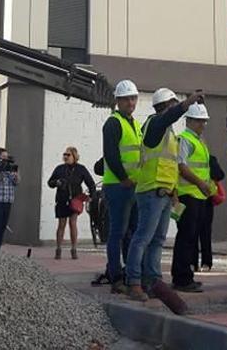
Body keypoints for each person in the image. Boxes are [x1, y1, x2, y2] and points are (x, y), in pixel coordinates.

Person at [125, 88, 203, 302]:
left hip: (165, 193)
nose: (175, 107)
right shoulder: (155, 124)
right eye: (173, 104)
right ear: (165, 106)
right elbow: (171, 115)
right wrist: (188, 102)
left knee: (157, 240)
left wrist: (174, 193)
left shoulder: (168, 133)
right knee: (143, 238)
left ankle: (153, 282)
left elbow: (171, 165)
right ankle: (133, 282)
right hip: (151, 191)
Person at [102, 80, 142, 294]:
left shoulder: (134, 124)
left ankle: (128, 272)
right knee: (117, 232)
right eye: (126, 98)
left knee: (132, 232)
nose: (130, 102)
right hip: (118, 186)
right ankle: (115, 276)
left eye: (133, 98)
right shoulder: (113, 123)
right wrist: (124, 177)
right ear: (118, 101)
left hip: (133, 186)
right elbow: (111, 154)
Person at [171, 103, 215, 292]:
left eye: (204, 121)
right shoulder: (186, 139)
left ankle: (186, 276)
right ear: (188, 120)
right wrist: (200, 183)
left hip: (198, 195)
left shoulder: (198, 140)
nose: (202, 124)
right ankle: (181, 278)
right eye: (199, 121)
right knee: (186, 237)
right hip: (188, 194)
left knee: (191, 237)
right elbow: (182, 166)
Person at [48, 146, 95, 260]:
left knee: (73, 224)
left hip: (75, 200)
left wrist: (91, 196)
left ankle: (74, 249)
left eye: (68, 154)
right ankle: (58, 249)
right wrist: (57, 182)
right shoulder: (59, 168)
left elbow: (91, 183)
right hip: (62, 199)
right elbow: (50, 182)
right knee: (61, 224)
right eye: (64, 154)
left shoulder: (81, 169)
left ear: (74, 156)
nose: (65, 157)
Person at [194, 155, 225, 273]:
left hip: (200, 197)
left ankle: (197, 262)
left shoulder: (209, 158)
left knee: (196, 232)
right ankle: (205, 262)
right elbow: (220, 175)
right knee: (204, 232)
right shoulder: (209, 157)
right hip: (204, 197)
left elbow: (220, 174)